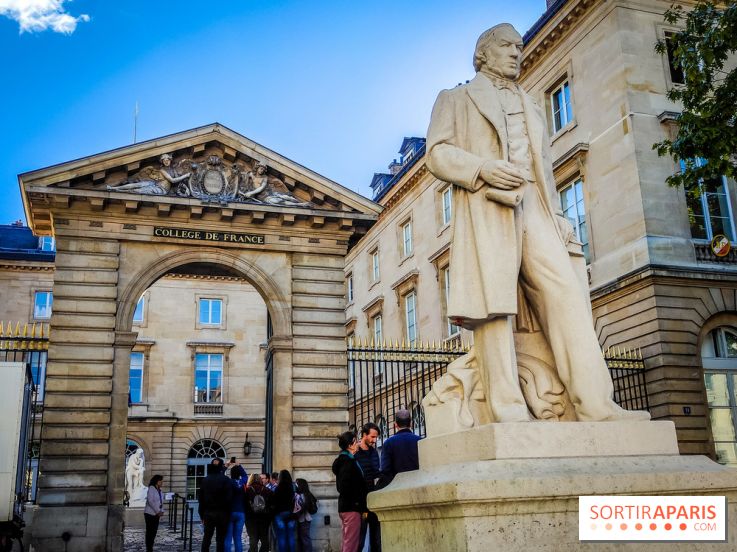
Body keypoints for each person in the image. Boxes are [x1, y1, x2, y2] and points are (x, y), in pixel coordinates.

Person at [424, 23, 650, 424]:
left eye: (520, 46)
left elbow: (543, 167)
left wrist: (559, 216)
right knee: (496, 312)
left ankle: (596, 404)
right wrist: (483, 169)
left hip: (535, 207)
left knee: (566, 297)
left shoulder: (530, 103)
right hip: (488, 206)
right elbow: (437, 154)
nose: (517, 52)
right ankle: (508, 409)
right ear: (483, 54)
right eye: (507, 46)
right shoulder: (456, 98)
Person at [332, 431, 367, 552]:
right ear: (351, 444)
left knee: (348, 542)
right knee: (351, 544)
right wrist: (357, 502)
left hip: (347, 507)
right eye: (356, 441)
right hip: (351, 507)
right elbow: (344, 486)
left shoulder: (347, 460)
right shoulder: (347, 461)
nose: (358, 443)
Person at [354, 423, 381, 552]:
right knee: (360, 537)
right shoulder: (355, 453)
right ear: (364, 435)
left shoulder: (374, 452)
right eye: (372, 437)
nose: (374, 440)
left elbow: (377, 472)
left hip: (374, 500)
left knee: (376, 538)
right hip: (360, 503)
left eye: (376, 437)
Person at [378, 410, 421, 487]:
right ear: (411, 423)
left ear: (395, 425)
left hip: (397, 486)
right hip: (418, 483)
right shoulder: (420, 441)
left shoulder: (388, 443)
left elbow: (385, 470)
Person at [199, 458, 234, 552]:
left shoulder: (205, 480)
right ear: (221, 466)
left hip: (208, 513)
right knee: (220, 540)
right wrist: (228, 514)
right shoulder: (226, 480)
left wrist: (201, 515)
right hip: (222, 514)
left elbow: (201, 500)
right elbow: (229, 499)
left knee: (206, 538)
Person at [245, 473, 273, 552]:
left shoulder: (247, 490)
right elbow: (272, 505)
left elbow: (244, 504)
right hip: (264, 518)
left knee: (253, 538)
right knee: (264, 539)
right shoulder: (268, 490)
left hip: (251, 518)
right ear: (260, 480)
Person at [272, 469, 298, 552]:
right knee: (291, 536)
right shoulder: (293, 487)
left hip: (279, 514)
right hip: (291, 513)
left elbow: (274, 502)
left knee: (281, 537)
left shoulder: (277, 488)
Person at [225, 464, 248, 552]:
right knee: (238, 538)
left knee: (228, 538)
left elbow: (221, 475)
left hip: (230, 512)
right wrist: (240, 466)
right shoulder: (242, 482)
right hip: (241, 512)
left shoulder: (228, 482)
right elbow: (245, 475)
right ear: (239, 474)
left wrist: (226, 465)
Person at [143, 474, 165, 552]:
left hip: (156, 515)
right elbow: (150, 501)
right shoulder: (151, 489)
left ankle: (151, 546)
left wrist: (162, 511)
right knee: (150, 532)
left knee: (154, 532)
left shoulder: (160, 490)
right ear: (157, 481)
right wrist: (158, 511)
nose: (162, 483)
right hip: (149, 514)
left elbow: (161, 502)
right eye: (161, 481)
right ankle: (149, 548)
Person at [294, 478, 315, 552]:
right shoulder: (307, 494)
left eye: (297, 483)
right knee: (302, 538)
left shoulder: (303, 495)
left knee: (305, 538)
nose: (295, 485)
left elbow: (303, 507)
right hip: (302, 519)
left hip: (304, 519)